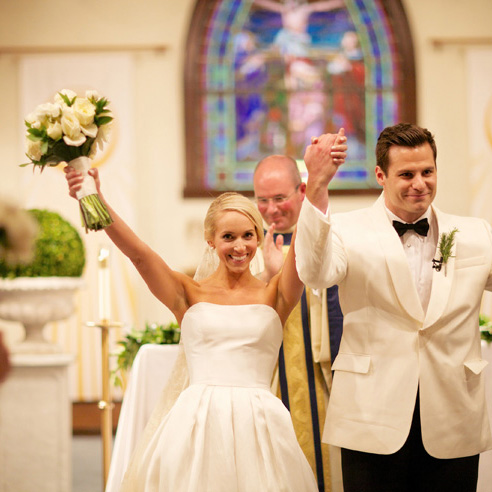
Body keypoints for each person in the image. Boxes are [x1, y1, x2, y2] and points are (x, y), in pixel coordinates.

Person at [65, 132, 345, 492]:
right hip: (194, 426)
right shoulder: (188, 293)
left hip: (261, 425)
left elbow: (309, 247)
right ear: (210, 240)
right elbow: (139, 254)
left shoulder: (275, 292)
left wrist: (318, 181)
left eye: (248, 235)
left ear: (258, 237)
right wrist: (94, 197)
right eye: (229, 237)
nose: (240, 246)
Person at [294, 122, 492, 492]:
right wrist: (317, 186)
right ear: (381, 176)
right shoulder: (346, 230)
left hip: (453, 414)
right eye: (406, 174)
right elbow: (314, 273)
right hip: (370, 416)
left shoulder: (476, 233)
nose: (420, 183)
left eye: (427, 172)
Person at [253, 152, 344, 492]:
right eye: (262, 200)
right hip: (269, 380)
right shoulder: (247, 246)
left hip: (322, 373)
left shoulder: (328, 235)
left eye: (280, 198)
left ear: (302, 191)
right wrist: (267, 276)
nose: (271, 209)